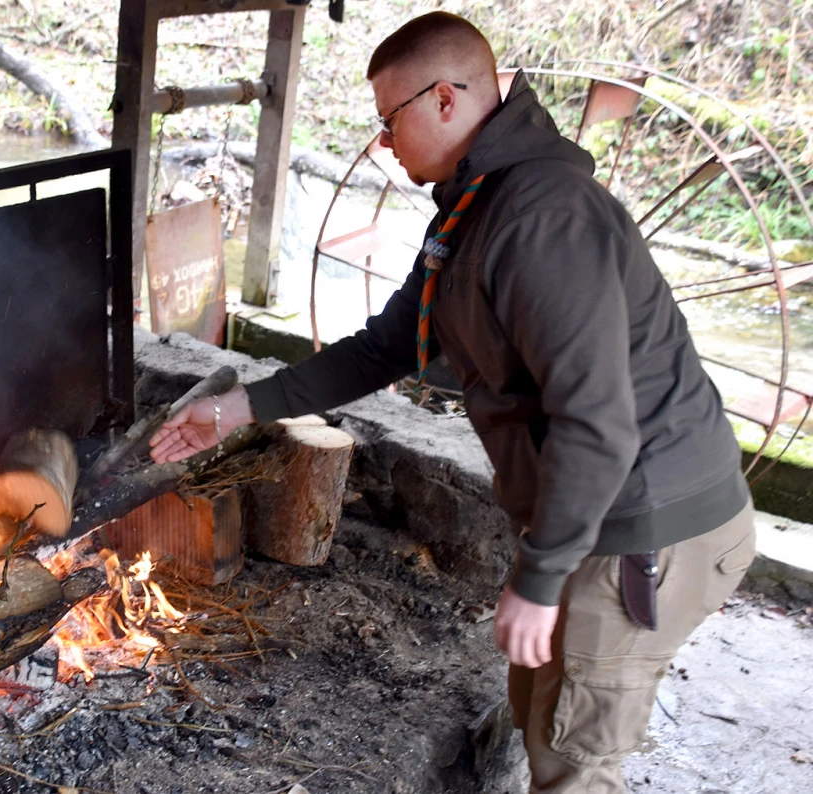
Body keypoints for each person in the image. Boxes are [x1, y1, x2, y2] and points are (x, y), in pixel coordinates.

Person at [148, 11, 756, 794]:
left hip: (645, 532)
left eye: (389, 120)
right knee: (543, 717)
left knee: (577, 762)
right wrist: (237, 409)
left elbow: (598, 422)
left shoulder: (541, 218)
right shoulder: (474, 204)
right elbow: (385, 347)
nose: (384, 142)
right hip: (600, 519)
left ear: (444, 99)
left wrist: (540, 578)